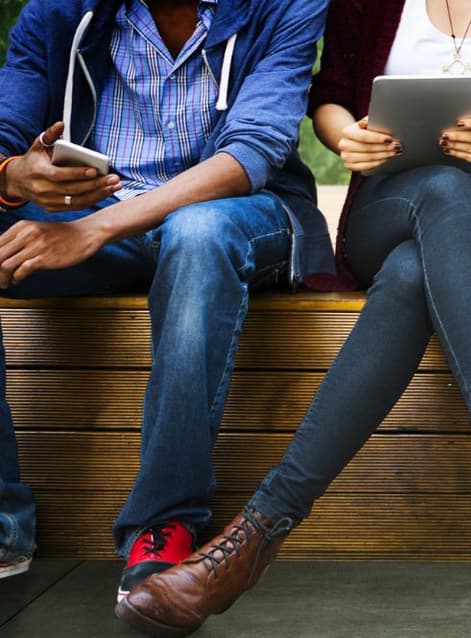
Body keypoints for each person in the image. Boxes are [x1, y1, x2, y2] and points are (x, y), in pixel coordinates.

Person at [115, 0, 471, 638]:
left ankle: (252, 539)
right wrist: (348, 137)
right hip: (390, 200)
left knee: (408, 273)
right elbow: (330, 96)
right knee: (437, 197)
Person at [0, 0, 329, 592]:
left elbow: (252, 152)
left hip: (240, 215)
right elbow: (4, 136)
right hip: (95, 219)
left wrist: (96, 229)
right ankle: (3, 521)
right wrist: (13, 178)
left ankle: (165, 521)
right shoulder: (59, 11)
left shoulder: (284, 7)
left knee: (195, 233)